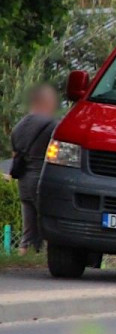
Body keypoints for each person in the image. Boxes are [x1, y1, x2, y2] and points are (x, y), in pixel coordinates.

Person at [10, 84, 58, 255]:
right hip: (42, 180)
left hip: (23, 182)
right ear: (46, 102)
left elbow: (15, 155)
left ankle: (23, 256)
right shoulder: (52, 125)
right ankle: (48, 260)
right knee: (51, 224)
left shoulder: (18, 127)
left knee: (28, 231)